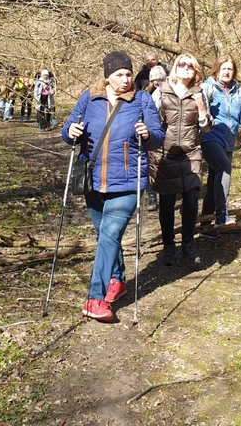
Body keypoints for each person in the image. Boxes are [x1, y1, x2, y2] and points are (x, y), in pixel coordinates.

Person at [62, 51, 165, 322]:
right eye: (119, 74)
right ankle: (117, 280)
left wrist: (148, 134)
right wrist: (70, 131)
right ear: (107, 76)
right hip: (92, 180)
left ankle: (95, 298)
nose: (125, 79)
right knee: (106, 238)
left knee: (109, 235)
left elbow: (158, 136)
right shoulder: (89, 97)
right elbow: (68, 128)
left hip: (128, 182)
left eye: (129, 74)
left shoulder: (141, 99)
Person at [149, 55, 212, 267]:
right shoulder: (161, 92)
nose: (185, 68)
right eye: (181, 64)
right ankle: (169, 247)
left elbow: (207, 127)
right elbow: (152, 123)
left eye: (190, 65)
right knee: (167, 203)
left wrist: (202, 109)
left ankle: (188, 245)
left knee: (192, 199)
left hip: (191, 153)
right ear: (175, 68)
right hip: (165, 153)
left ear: (196, 71)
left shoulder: (200, 93)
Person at [201, 55, 241, 235]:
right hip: (209, 137)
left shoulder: (239, 92)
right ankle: (221, 215)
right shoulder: (206, 88)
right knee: (224, 167)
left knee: (213, 181)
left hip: (228, 141)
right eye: (223, 68)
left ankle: (206, 226)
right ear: (216, 69)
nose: (227, 72)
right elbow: (199, 111)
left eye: (230, 69)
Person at [143, 65, 168, 212]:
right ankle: (151, 196)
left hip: (164, 134)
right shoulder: (146, 96)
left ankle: (163, 192)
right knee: (149, 168)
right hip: (150, 135)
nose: (159, 83)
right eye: (156, 80)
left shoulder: (168, 93)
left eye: (162, 79)